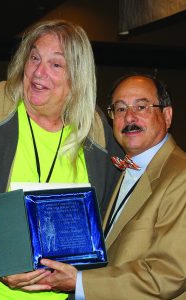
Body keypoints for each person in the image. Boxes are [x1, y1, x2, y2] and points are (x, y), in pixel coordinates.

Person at [0, 20, 123, 300]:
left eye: (56, 65)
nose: (39, 72)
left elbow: (113, 233)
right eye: (35, 57)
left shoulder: (99, 137)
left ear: (77, 77)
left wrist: (81, 279)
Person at [29, 73, 186, 299]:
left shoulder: (180, 176)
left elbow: (168, 274)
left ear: (167, 115)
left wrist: (80, 282)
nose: (129, 117)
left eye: (141, 107)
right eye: (120, 109)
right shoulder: (120, 170)